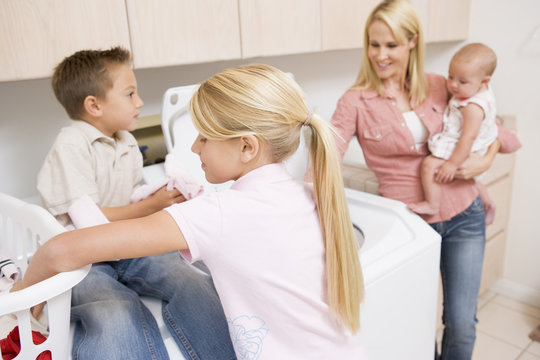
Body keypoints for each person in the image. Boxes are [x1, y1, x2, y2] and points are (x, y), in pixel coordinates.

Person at [16, 64, 366, 359]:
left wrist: (18, 304)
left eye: (204, 136)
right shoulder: (309, 196)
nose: (193, 146)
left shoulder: (219, 214)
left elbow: (60, 249)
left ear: (246, 146)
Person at [329, 1, 521, 359]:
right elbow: (326, 161)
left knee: (462, 324)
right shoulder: (354, 102)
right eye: (374, 44)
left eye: (391, 45)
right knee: (416, 321)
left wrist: (486, 159)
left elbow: (500, 134)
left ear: (412, 42)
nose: (380, 55)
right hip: (410, 225)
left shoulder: (440, 85)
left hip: (465, 213)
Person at [36, 47, 236, 360]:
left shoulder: (126, 141)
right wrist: (148, 208)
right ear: (94, 105)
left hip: (125, 244)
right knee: (113, 309)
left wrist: (160, 196)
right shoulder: (72, 143)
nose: (140, 102)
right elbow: (86, 217)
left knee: (192, 281)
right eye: (130, 94)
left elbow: (127, 195)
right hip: (85, 257)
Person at [409, 43, 498, 225]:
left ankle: (432, 203)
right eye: (450, 76)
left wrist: (451, 164)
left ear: (484, 82)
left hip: (468, 146)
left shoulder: (472, 107)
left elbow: (467, 138)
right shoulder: (475, 92)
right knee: (475, 179)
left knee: (429, 164)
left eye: (462, 81)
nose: (453, 85)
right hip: (477, 144)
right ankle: (487, 202)